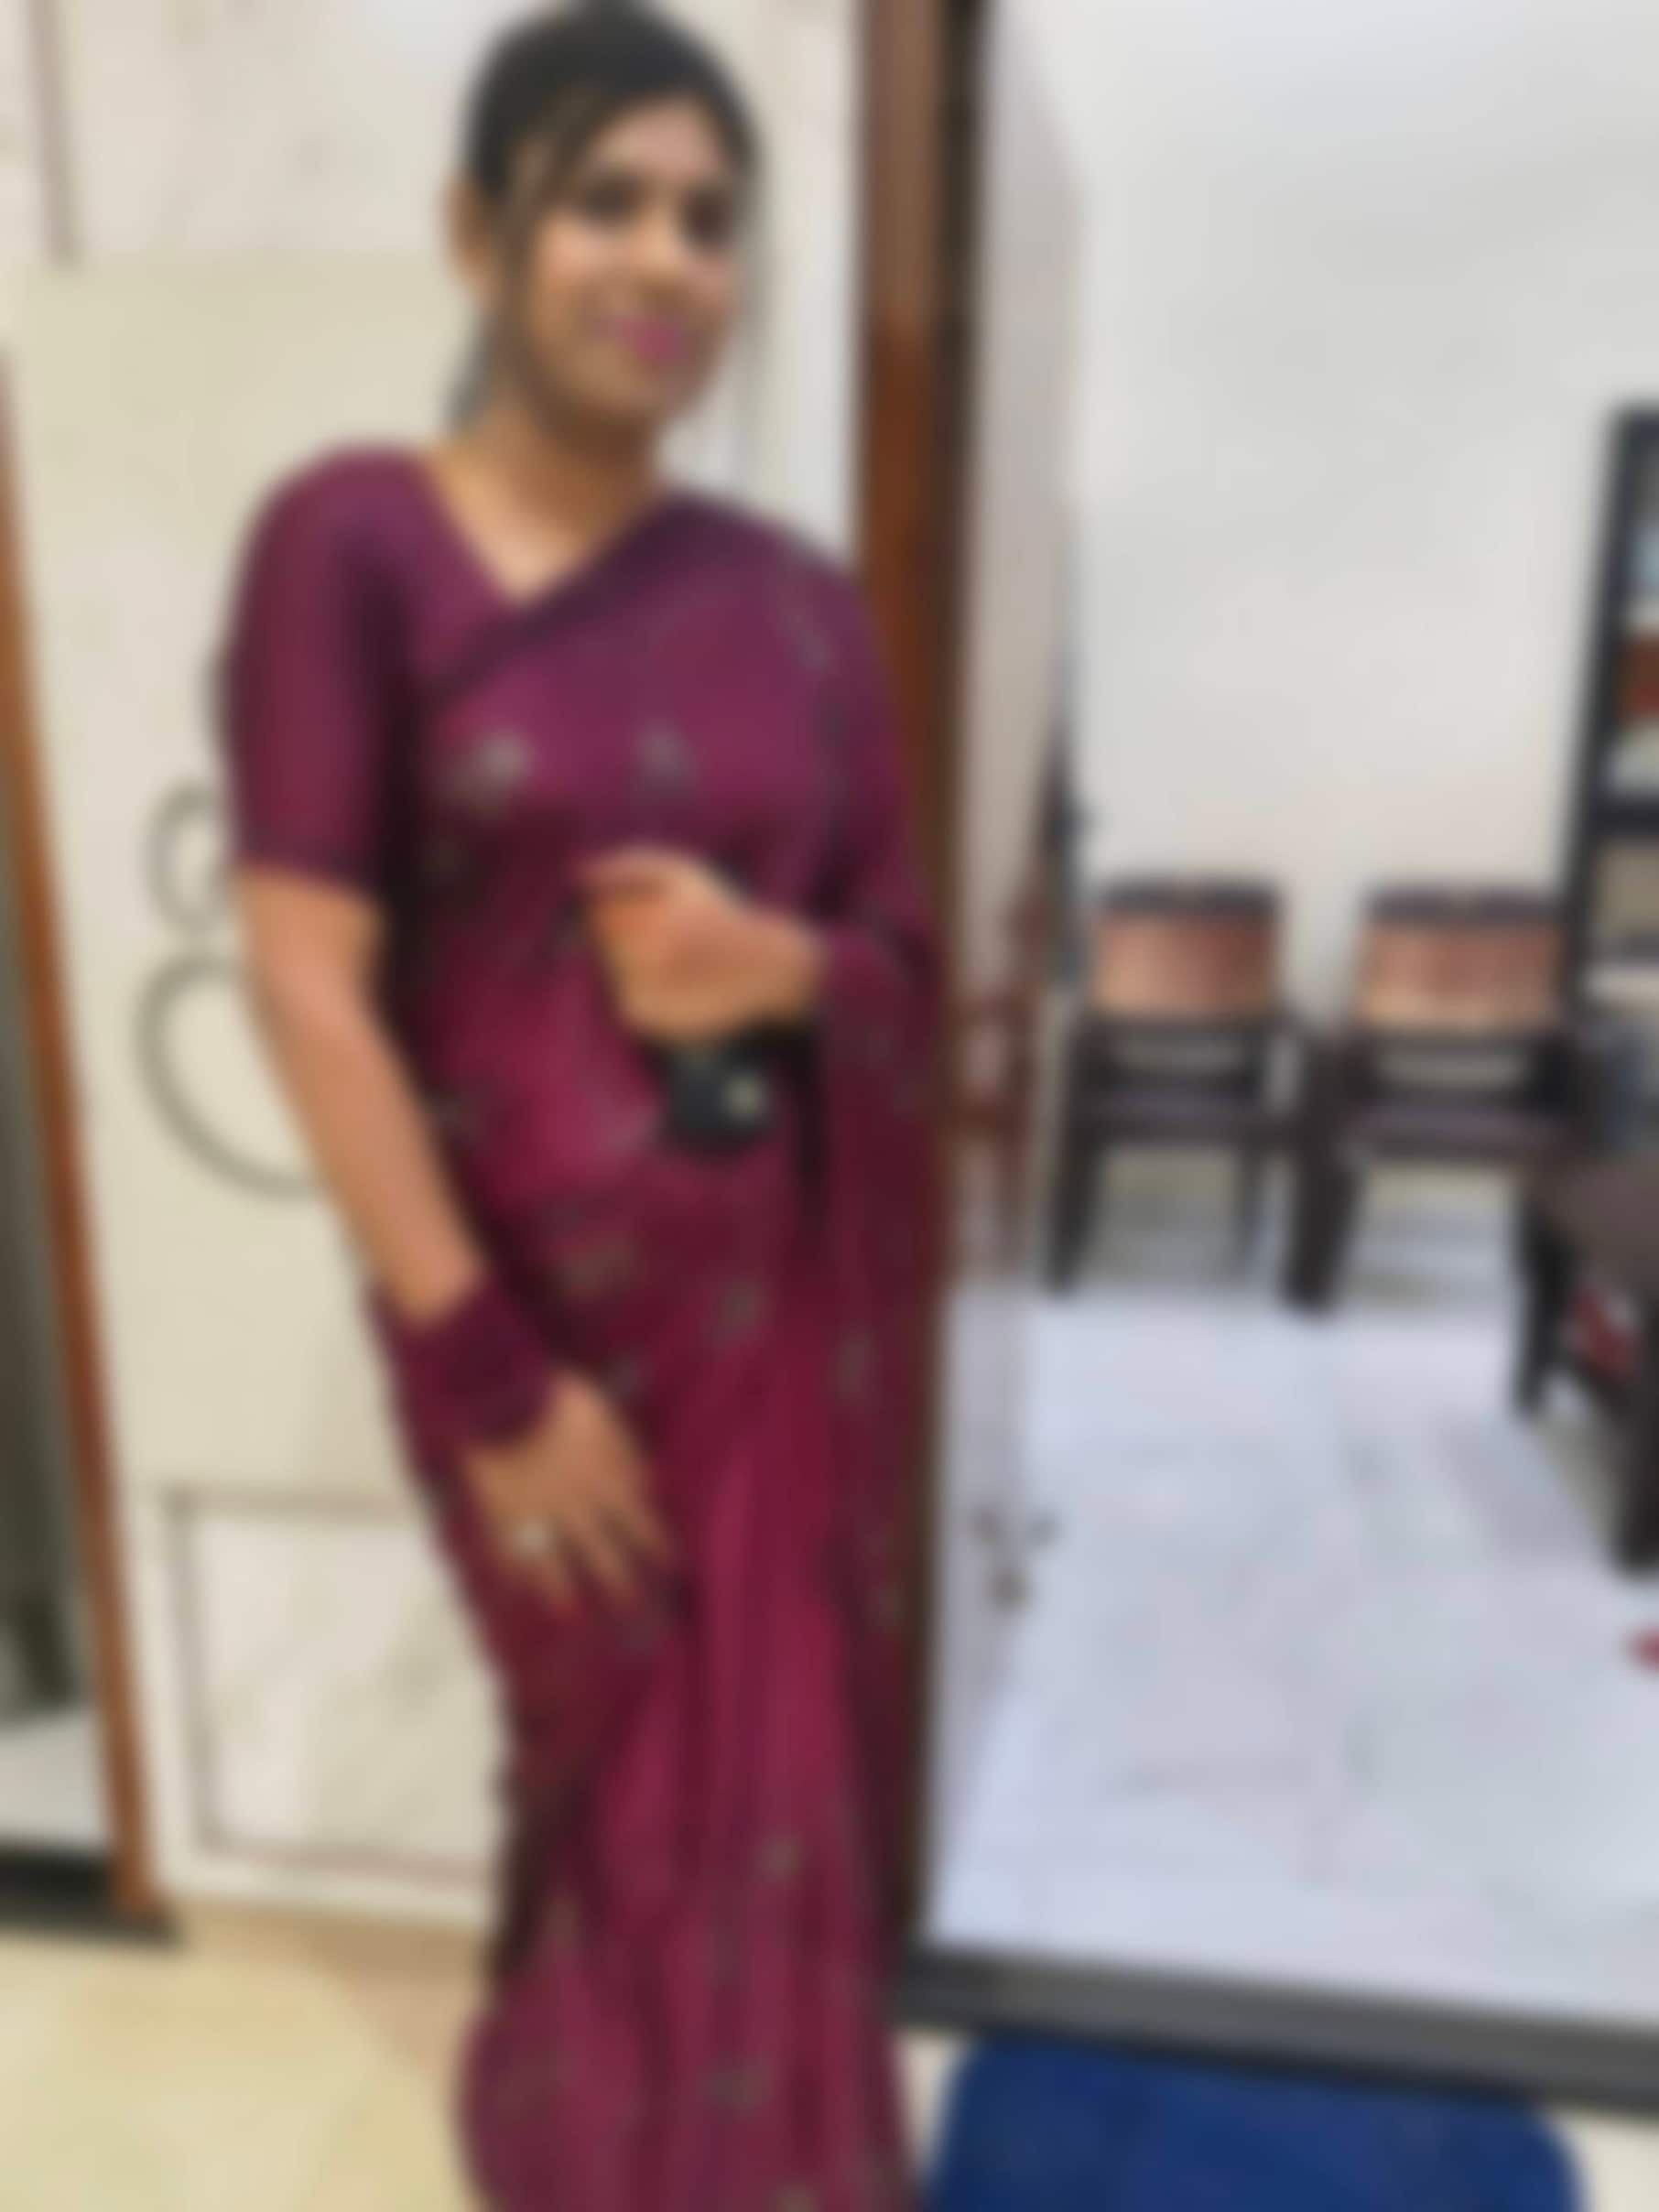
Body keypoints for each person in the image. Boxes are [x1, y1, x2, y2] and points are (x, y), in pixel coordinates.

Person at [216, 7, 941, 2207]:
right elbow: (306, 980)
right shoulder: (351, 542)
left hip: (769, 1340)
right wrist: (488, 1370)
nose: (665, 261)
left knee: (758, 1802)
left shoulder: (800, 606)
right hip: (524, 1336)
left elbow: (905, 959)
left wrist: (779, 967)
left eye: (710, 220)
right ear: (479, 234)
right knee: (610, 1786)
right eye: (604, 201)